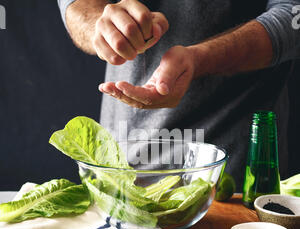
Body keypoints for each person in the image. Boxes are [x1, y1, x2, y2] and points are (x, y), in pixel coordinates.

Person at [57, 0, 300, 190]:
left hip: (234, 170)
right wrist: (102, 28)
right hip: (121, 164)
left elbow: (294, 15)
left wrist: (200, 58)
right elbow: (76, 4)